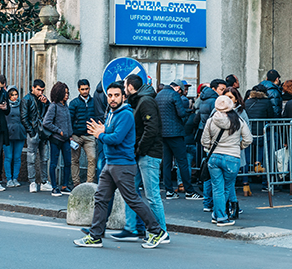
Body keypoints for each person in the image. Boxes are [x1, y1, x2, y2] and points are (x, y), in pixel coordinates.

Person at [74, 82, 166, 249]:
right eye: (110, 95)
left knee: (132, 199)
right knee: (101, 198)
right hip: (111, 163)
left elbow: (116, 138)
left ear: (123, 96)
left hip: (122, 165)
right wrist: (103, 130)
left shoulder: (125, 114)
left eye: (116, 95)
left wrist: (100, 134)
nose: (113, 98)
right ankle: (95, 236)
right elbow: (110, 133)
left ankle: (156, 230)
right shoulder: (112, 113)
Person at [112, 75, 166, 239]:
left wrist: (140, 150)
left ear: (129, 87)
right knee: (130, 191)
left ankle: (161, 232)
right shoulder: (138, 100)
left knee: (152, 196)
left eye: (125, 85)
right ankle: (133, 228)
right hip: (139, 153)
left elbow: (151, 129)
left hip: (148, 154)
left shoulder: (145, 101)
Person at [199, 95, 252, 226]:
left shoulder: (211, 121)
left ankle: (218, 215)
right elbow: (248, 139)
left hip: (214, 157)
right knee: (227, 187)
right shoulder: (238, 121)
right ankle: (221, 216)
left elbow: (204, 141)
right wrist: (239, 147)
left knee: (217, 188)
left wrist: (211, 147)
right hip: (232, 157)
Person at [157, 80, 199, 199]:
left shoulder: (158, 95)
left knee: (166, 163)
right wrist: (187, 114)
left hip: (162, 134)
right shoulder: (174, 95)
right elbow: (181, 113)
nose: (182, 93)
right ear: (178, 88)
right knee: (182, 162)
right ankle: (189, 191)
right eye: (182, 91)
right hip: (176, 133)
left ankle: (169, 191)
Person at [44, 81, 73, 196]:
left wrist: (70, 134)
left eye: (67, 93)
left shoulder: (66, 106)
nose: (67, 95)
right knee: (54, 163)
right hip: (56, 139)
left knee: (68, 162)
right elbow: (46, 122)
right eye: (64, 93)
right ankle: (54, 187)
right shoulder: (53, 106)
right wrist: (59, 131)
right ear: (59, 93)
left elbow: (68, 122)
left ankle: (65, 186)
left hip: (66, 139)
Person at [69, 79, 100, 186]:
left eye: (86, 89)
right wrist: (70, 136)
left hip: (89, 136)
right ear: (78, 90)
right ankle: (76, 183)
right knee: (74, 160)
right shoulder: (74, 103)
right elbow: (70, 120)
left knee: (92, 158)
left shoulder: (94, 102)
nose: (85, 91)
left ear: (89, 88)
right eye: (82, 89)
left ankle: (89, 184)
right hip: (76, 136)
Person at [22, 79, 52, 192]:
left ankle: (44, 181)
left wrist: (46, 103)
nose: (40, 92)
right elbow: (24, 118)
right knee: (31, 158)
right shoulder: (26, 99)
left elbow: (50, 113)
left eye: (42, 90)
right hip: (33, 132)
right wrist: (32, 132)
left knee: (44, 158)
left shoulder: (43, 99)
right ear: (33, 88)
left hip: (43, 132)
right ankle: (32, 182)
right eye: (38, 89)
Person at [4, 87, 26, 187]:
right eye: (12, 95)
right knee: (8, 157)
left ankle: (15, 178)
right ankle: (9, 179)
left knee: (17, 157)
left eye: (16, 94)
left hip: (19, 132)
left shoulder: (21, 104)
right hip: (7, 133)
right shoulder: (4, 104)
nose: (14, 97)